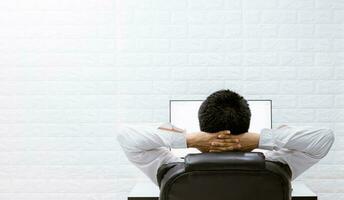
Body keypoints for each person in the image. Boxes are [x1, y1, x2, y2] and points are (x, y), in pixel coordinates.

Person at [117, 89, 335, 186]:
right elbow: (324, 138)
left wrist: (189, 140)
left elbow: (125, 136)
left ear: (202, 128)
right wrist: (260, 140)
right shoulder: (276, 164)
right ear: (247, 125)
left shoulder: (170, 168)